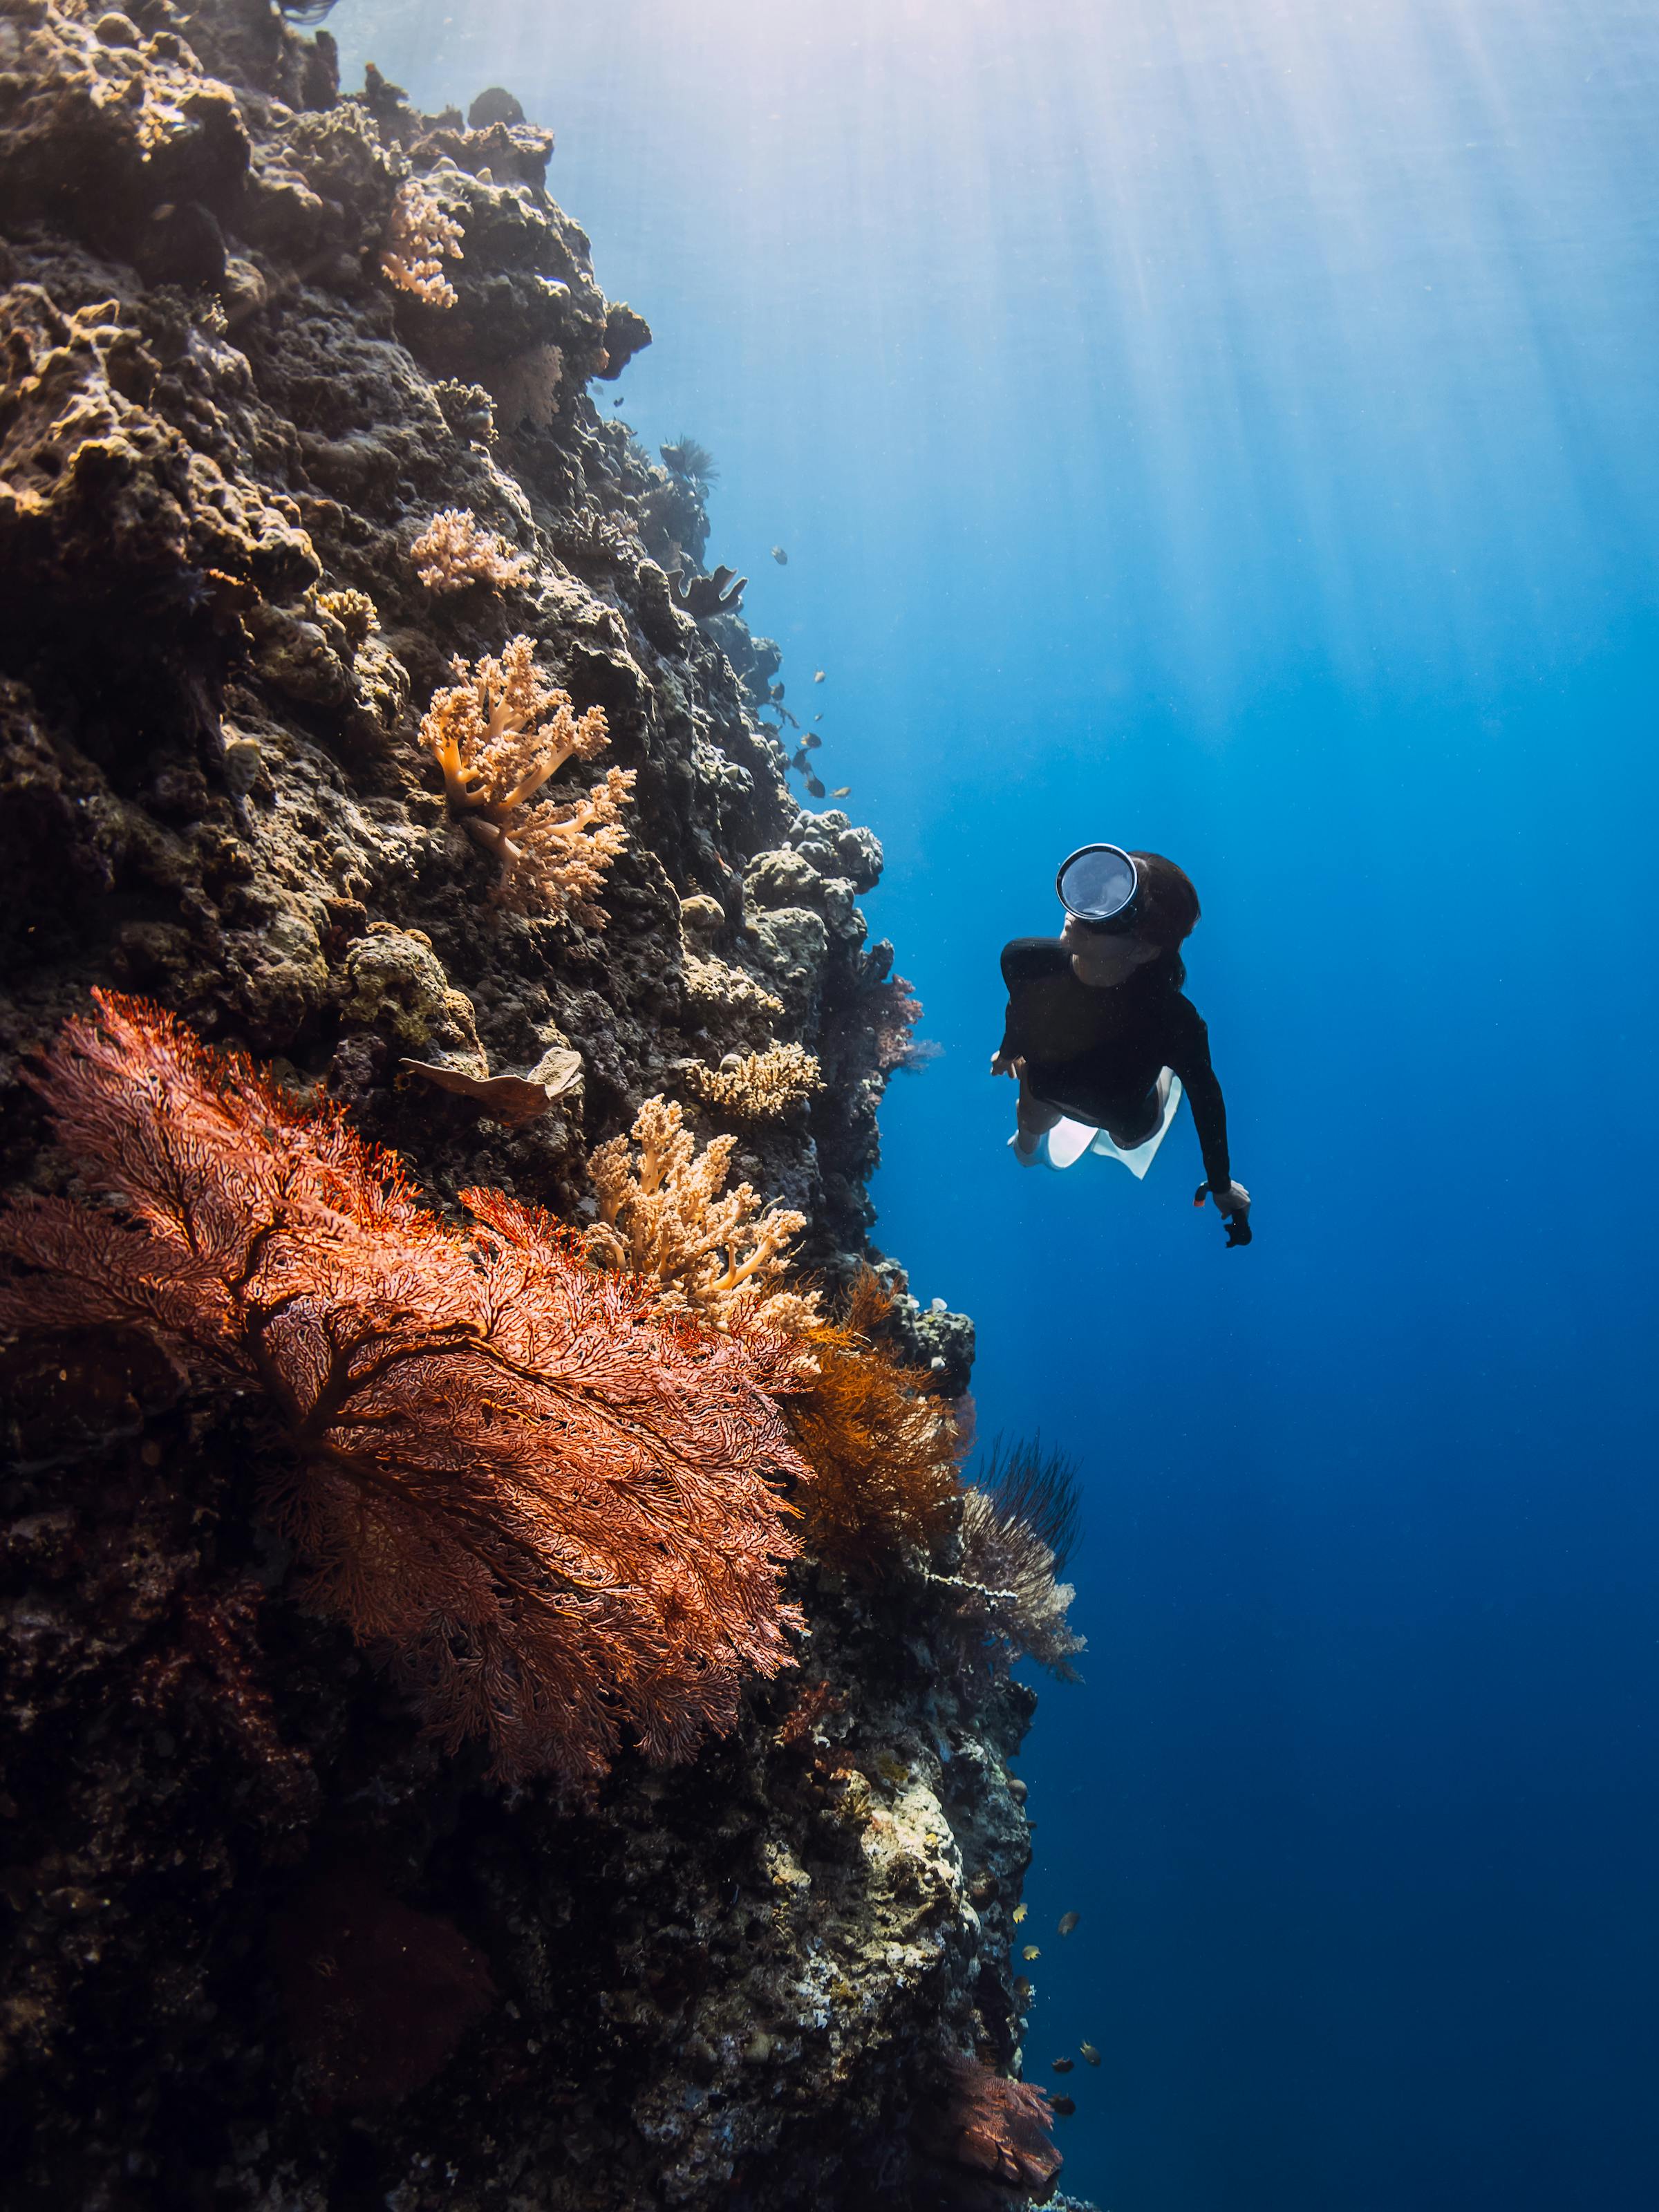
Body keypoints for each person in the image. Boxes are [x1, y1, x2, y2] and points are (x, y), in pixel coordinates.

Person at [992, 843, 1253, 1244]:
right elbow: (1020, 1007)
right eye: (1094, 890)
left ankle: (1167, 1078)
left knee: (1131, 1139)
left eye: (1110, 907)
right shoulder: (1023, 960)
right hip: (1047, 1081)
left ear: (1145, 949)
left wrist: (1221, 1184)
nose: (1083, 911)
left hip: (1125, 1113)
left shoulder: (1174, 1023)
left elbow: (1207, 1098)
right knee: (1028, 1138)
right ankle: (1028, 1146)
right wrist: (1009, 1050)